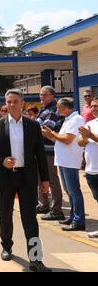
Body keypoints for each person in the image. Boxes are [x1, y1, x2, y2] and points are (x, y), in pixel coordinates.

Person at [0, 89, 51, 272]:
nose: (12, 104)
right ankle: (6, 246)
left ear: (22, 103)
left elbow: (40, 155)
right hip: (5, 177)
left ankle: (36, 259)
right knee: (5, 214)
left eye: (15, 101)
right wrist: (1, 161)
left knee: (30, 218)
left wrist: (45, 179)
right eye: (9, 102)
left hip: (26, 177)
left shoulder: (33, 125)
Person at [42, 98, 86, 231]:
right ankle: (73, 216)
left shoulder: (76, 119)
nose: (56, 110)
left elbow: (67, 140)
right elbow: (59, 139)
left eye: (58, 108)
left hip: (70, 160)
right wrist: (48, 134)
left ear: (66, 108)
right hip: (63, 159)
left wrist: (52, 134)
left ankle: (79, 220)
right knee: (69, 191)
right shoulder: (68, 119)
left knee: (74, 191)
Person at [36, 86, 65, 221]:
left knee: (52, 180)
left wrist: (34, 126)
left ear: (52, 96)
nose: (42, 97)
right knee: (40, 179)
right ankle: (43, 204)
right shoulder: (44, 109)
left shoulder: (54, 110)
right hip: (40, 150)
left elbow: (45, 129)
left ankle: (56, 210)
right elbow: (38, 127)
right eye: (41, 94)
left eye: (45, 95)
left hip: (50, 151)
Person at [78, 97, 98, 238]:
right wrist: (85, 138)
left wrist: (90, 135)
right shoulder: (90, 123)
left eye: (96, 106)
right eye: (92, 106)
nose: (94, 109)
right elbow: (80, 143)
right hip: (91, 169)